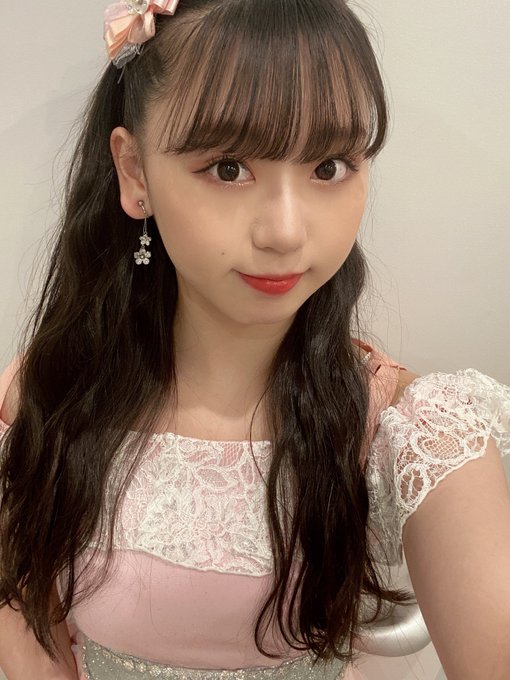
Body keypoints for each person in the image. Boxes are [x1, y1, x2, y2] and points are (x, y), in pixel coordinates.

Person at [0, 0, 509, 679]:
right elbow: (22, 612)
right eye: (229, 168)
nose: (286, 231)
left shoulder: (412, 431)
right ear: (135, 172)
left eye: (329, 166)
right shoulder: (52, 391)